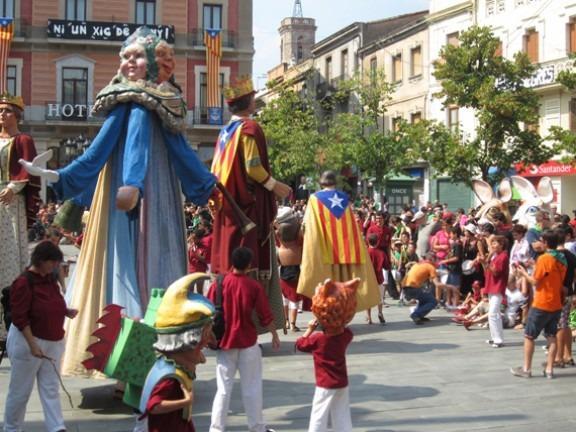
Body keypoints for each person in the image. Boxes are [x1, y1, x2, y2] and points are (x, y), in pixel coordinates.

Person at [20, 28, 216, 376]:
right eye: (125, 57)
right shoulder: (127, 101)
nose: (129, 62)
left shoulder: (164, 101)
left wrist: (205, 183)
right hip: (129, 194)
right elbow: (100, 151)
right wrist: (62, 176)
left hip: (157, 195)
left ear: (154, 63)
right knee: (130, 267)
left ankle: (164, 354)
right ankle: (133, 359)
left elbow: (181, 151)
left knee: (152, 264)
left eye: (137, 56)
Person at [4, 241, 78, 432]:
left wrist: (65, 311)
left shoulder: (49, 280)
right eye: (52, 262)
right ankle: (11, 428)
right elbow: (20, 318)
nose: (55, 266)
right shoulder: (23, 282)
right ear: (41, 260)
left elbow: (52, 303)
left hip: (53, 340)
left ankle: (56, 427)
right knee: (20, 391)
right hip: (29, 341)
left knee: (50, 387)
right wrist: (32, 345)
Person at [206, 247, 280, 432]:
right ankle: (257, 427)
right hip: (248, 343)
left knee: (223, 389)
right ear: (248, 266)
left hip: (225, 343)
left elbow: (206, 311)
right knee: (252, 388)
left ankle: (216, 429)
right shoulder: (253, 286)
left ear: (232, 262)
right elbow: (265, 314)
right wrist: (274, 334)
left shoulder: (219, 284)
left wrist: (207, 336)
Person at [139, 274, 216, 432]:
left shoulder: (170, 365)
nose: (207, 342)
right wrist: (185, 401)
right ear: (185, 343)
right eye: (203, 337)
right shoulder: (170, 378)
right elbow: (154, 406)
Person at [297, 171, 380, 312]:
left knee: (326, 287)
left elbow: (309, 224)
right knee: (342, 283)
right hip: (346, 249)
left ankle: (328, 313)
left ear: (321, 182)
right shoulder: (344, 198)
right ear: (335, 182)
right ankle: (341, 312)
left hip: (324, 248)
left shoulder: (314, 198)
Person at [295, 278, 359, 432]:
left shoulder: (318, 339)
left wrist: (310, 329)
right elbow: (346, 329)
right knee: (342, 414)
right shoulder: (345, 336)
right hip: (342, 382)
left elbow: (300, 344)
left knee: (319, 415)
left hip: (324, 384)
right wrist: (341, 315)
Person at [511, 230, 567, 379]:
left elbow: (535, 281)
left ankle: (526, 369)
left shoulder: (544, 258)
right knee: (551, 336)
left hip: (542, 303)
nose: (537, 243)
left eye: (540, 240)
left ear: (545, 243)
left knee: (529, 336)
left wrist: (523, 273)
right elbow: (551, 276)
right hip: (556, 304)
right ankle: (549, 369)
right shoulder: (561, 259)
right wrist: (535, 265)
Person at [0, 94, 40, 291]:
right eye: (0, 110)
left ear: (16, 115)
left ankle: (10, 289)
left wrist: (12, 188)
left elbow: (29, 169)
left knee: (10, 245)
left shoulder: (23, 140)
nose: (2, 114)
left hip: (11, 198)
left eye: (7, 111)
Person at [480, 235, 509, 348]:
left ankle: (498, 339)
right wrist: (488, 258)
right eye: (492, 243)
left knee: (492, 313)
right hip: (492, 286)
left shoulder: (503, 256)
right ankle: (496, 337)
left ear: (501, 245)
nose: (492, 245)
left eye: (495, 243)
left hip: (498, 286)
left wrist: (487, 263)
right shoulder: (496, 256)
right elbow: (487, 269)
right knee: (495, 314)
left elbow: (496, 272)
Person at [401, 253, 441, 324]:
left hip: (406, 287)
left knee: (425, 299)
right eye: (436, 260)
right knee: (433, 301)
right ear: (432, 259)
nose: (437, 261)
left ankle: (419, 315)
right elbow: (437, 284)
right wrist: (451, 287)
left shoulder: (418, 264)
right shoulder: (430, 266)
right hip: (412, 288)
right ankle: (416, 314)